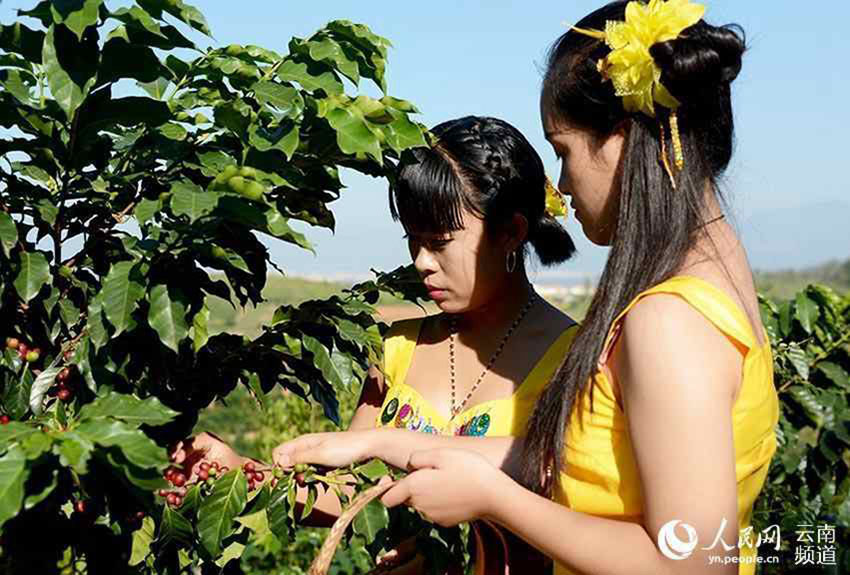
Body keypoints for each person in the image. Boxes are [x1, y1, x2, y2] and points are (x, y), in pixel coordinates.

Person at [273, 2, 780, 575]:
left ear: (619, 139)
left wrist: (495, 500)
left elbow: (693, 565)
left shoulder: (668, 320)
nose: (560, 183)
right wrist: (389, 445)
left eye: (562, 150)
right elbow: (585, 466)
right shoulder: (717, 273)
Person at [174, 116, 580, 573]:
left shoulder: (575, 361)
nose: (422, 263)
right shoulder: (395, 351)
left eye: (441, 242)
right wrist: (243, 474)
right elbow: (350, 491)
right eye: (413, 240)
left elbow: (573, 491)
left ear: (512, 232)